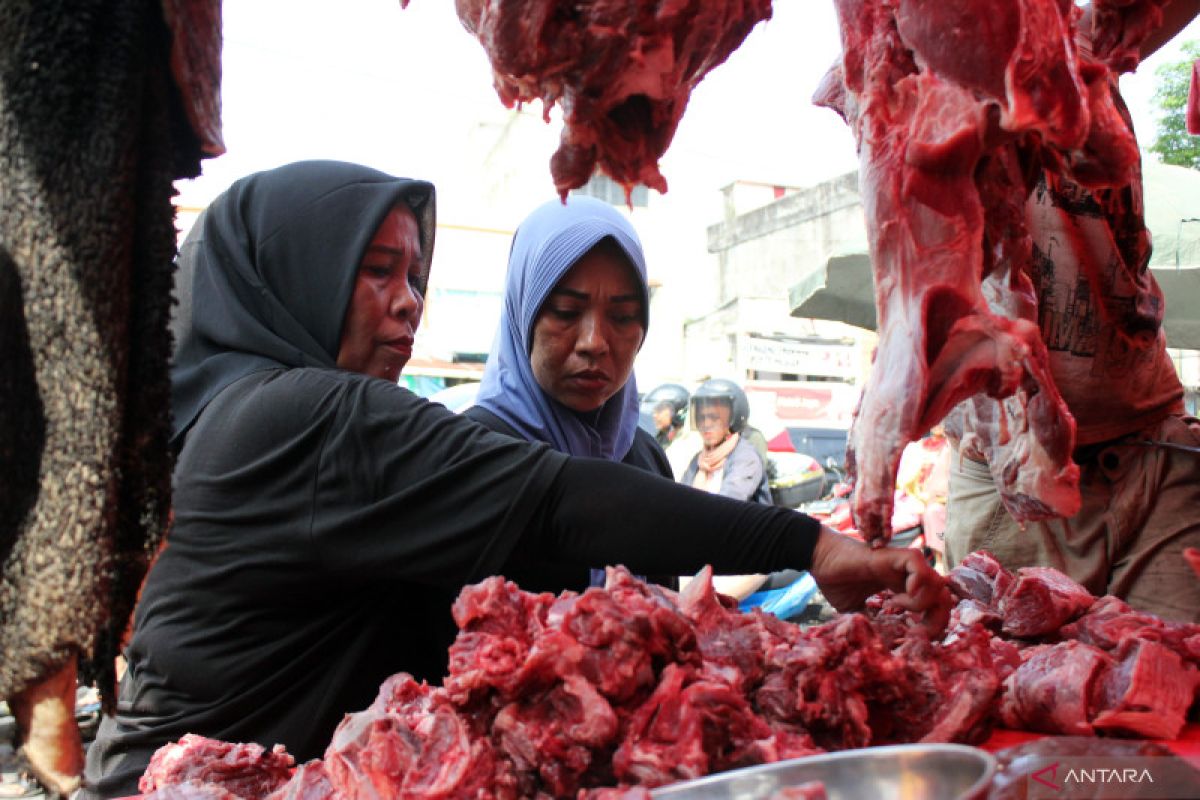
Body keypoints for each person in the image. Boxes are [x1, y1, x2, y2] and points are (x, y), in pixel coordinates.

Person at [81, 160, 949, 798]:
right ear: (288, 274)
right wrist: (807, 543)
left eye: (415, 275)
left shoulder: (240, 409)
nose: (409, 301)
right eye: (376, 271)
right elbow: (557, 500)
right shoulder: (302, 415)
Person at [944, 2, 1200, 622]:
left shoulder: (1076, 41)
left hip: (1155, 453)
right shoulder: (921, 56)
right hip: (1007, 470)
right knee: (1005, 693)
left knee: (1173, 697)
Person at [463, 195, 671, 588]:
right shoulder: (474, 457)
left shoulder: (646, 459)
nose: (594, 342)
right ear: (523, 312)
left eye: (623, 316)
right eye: (565, 311)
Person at [682, 378, 772, 505]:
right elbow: (680, 500)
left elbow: (726, 505)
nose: (706, 424)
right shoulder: (699, 460)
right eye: (701, 418)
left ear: (733, 419)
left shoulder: (745, 458)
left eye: (714, 417)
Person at [641, 383, 690, 449]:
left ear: (678, 412)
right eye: (654, 411)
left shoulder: (685, 445)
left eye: (659, 410)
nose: (655, 415)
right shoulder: (661, 438)